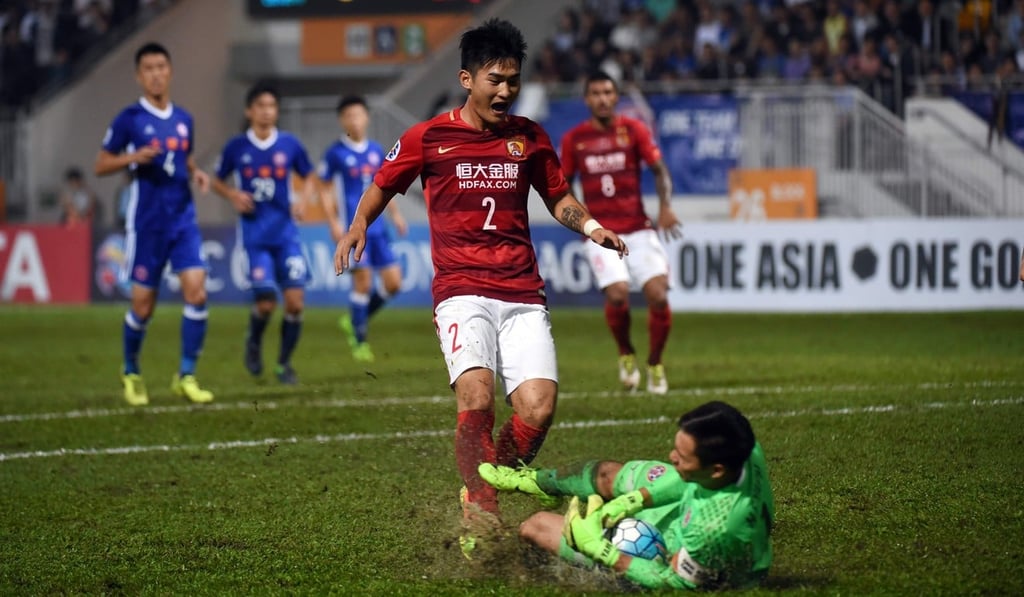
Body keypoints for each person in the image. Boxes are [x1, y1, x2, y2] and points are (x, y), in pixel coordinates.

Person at [333, 18, 628, 559]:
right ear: (467, 78)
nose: (505, 91)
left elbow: (559, 198)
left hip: (521, 291)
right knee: (476, 396)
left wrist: (591, 227)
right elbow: (382, 184)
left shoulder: (530, 137)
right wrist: (358, 226)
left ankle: (479, 481)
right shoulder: (428, 137)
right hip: (461, 289)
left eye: (513, 80)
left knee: (538, 410)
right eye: (495, 79)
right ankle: (483, 515)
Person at [480, 400, 774, 590]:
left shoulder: (712, 530)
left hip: (692, 562)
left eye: (683, 458)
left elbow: (672, 583)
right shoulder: (745, 449)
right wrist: (634, 499)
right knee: (610, 475)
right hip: (698, 505)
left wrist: (601, 550)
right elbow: (690, 482)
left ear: (716, 470)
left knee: (537, 525)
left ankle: (530, 568)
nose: (671, 457)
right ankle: (538, 481)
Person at [94, 42, 213, 406]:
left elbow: (183, 156)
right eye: (148, 68)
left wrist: (197, 173)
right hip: (147, 223)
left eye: (161, 66)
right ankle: (131, 371)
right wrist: (133, 156)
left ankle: (186, 375)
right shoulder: (129, 119)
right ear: (139, 75)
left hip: (183, 220)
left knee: (197, 291)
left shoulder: (184, 119)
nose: (156, 73)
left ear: (170, 71)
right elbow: (101, 165)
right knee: (143, 306)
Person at [560, 71, 681, 395]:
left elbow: (659, 170)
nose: (601, 98)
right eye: (595, 93)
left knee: (657, 294)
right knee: (617, 294)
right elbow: (562, 187)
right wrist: (580, 222)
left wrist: (666, 207)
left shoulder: (633, 130)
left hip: (639, 229)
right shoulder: (575, 140)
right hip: (601, 232)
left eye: (607, 92)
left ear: (616, 97)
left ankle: (654, 362)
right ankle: (626, 353)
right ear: (587, 99)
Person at [211, 82, 316, 385]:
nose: (267, 112)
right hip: (255, 237)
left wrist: (302, 199)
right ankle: (254, 342)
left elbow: (308, 175)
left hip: (286, 236)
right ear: (249, 111)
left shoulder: (289, 145)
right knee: (267, 303)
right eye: (261, 106)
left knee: (295, 302)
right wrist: (232, 194)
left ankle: (284, 363)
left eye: (272, 106)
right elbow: (217, 180)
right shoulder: (236, 147)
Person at [319, 95, 407, 363]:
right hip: (354, 229)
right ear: (342, 120)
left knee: (393, 284)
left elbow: (384, 186)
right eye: (349, 116)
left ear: (366, 117)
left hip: (379, 229)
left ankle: (355, 318)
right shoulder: (335, 153)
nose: (354, 120)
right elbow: (324, 189)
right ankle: (359, 342)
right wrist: (333, 222)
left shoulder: (376, 150)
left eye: (358, 115)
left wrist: (396, 214)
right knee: (363, 282)